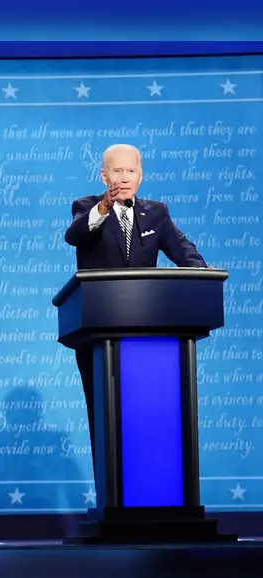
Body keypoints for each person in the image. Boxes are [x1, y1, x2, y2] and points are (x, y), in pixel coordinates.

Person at [63, 143, 208, 468]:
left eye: (131, 171)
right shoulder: (86, 206)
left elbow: (182, 249)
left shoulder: (156, 212)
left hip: (150, 329)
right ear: (104, 175)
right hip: (98, 329)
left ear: (140, 176)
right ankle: (111, 497)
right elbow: (74, 235)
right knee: (105, 414)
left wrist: (202, 272)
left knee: (149, 415)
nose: (124, 177)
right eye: (118, 170)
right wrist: (104, 206)